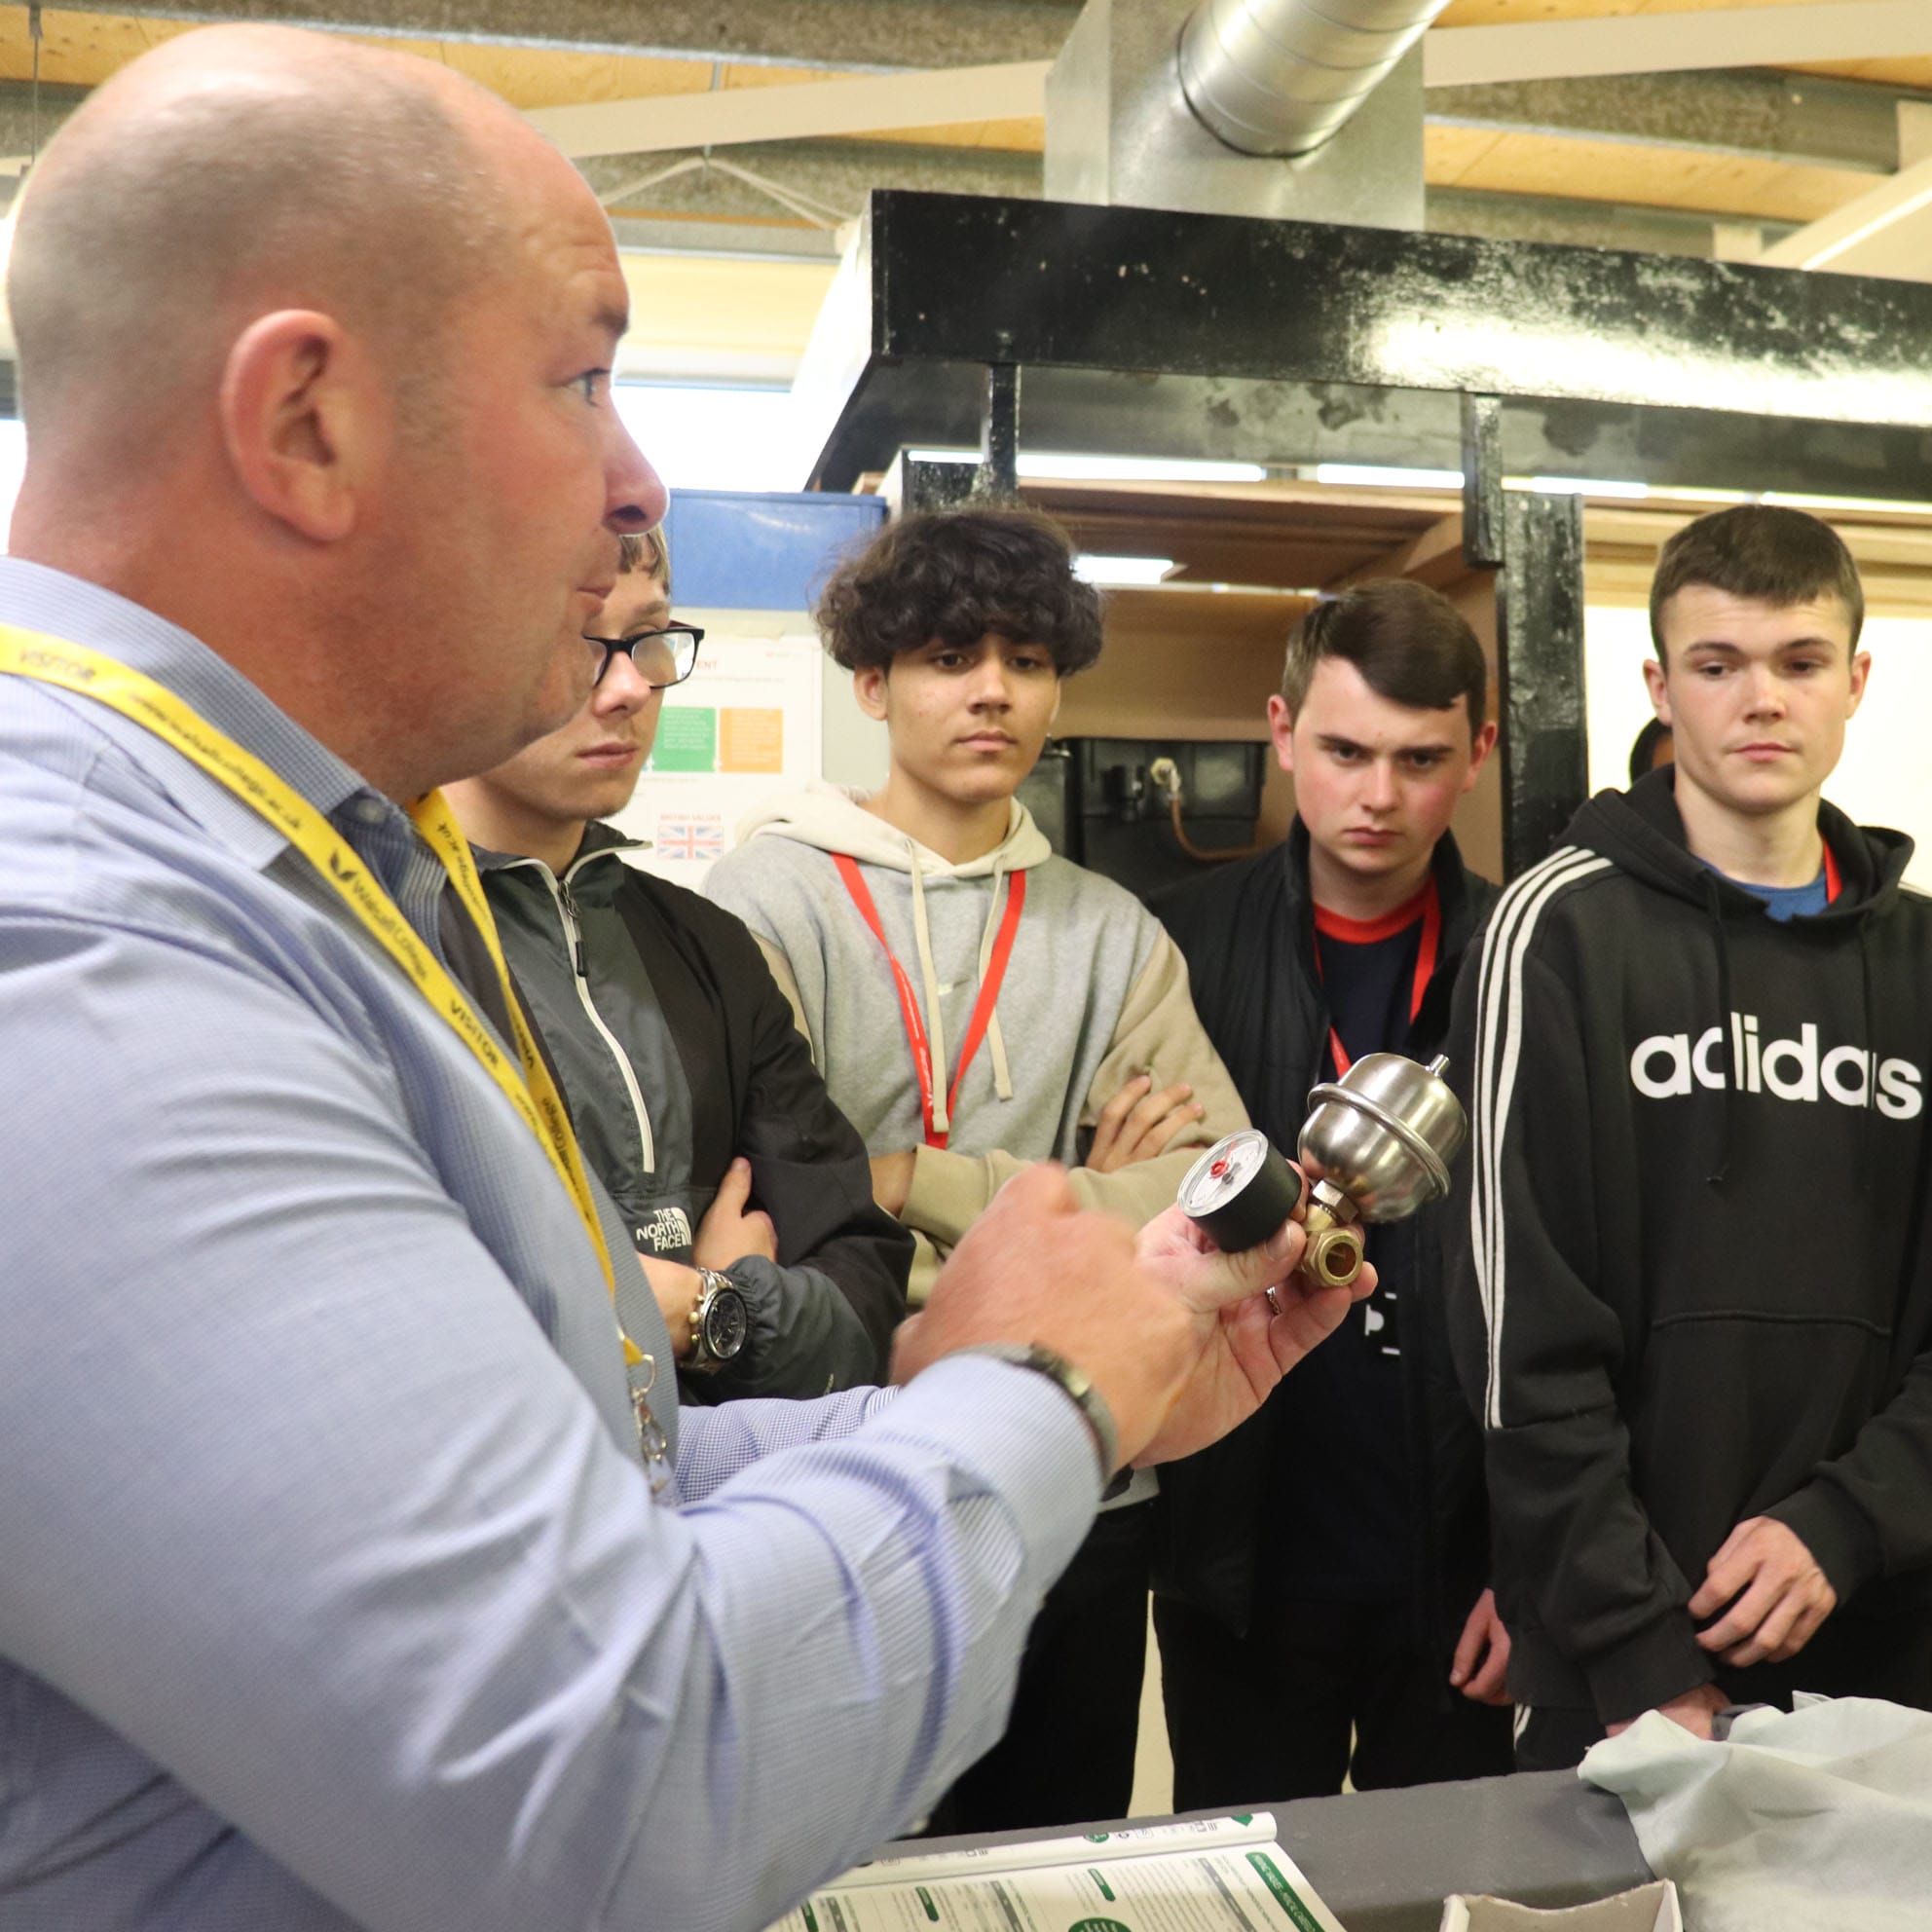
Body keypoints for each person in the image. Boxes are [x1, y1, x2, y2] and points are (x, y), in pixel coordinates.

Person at [0, 27, 1374, 1931]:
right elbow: (615, 1777)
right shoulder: (75, 941)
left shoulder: (271, 875)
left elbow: (568, 1468)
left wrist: (995, 1378)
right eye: (582, 375)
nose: (637, 480)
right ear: (306, 423)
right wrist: (1038, 1389)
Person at [706, 503, 1250, 1832]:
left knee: (1060, 1859)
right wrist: (1066, 1183)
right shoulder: (765, 902)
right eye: (951, 657)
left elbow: (1215, 1189)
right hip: (845, 1460)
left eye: (1025, 658)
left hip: (1087, 1470)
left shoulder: (1115, 932)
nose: (993, 690)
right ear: (875, 685)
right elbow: (779, 1200)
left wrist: (909, 1182)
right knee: (844, 1866)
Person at [1447, 502, 1932, 1772]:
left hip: (1884, 1641)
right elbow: (1521, 1341)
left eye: (1799, 663)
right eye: (1718, 667)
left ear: (1855, 681)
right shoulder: (1555, 932)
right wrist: (1634, 1645)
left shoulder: (1925, 960)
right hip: (1627, 1675)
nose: (1760, 701)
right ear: (1661, 685)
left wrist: (1851, 1523)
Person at [1148, 578, 1514, 1806]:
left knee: (1445, 1899)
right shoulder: (1173, 951)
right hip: (1244, 1554)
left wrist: (1535, 1562)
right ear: (1279, 730)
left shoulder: (1530, 966)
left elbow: (1584, 1275)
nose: (1377, 795)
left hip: (1459, 1568)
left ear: (1478, 754)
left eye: (1420, 758)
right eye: (1344, 749)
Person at [445, 530, 911, 1401]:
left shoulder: (710, 948)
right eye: (583, 642)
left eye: (648, 639)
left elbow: (864, 1297)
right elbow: (435, 1332)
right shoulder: (387, 938)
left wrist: (712, 1311)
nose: (628, 689)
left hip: (735, 1518)